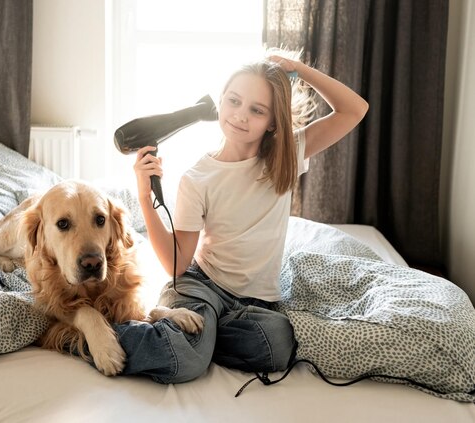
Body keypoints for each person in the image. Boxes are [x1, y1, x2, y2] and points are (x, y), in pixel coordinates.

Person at [113, 52, 369, 384]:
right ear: (221, 101)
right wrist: (146, 199)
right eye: (233, 101)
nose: (240, 115)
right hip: (202, 287)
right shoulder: (199, 177)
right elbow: (177, 264)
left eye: (257, 110)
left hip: (252, 304)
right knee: (182, 362)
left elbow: (354, 110)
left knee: (278, 344)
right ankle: (116, 336)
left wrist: (300, 71)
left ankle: (198, 339)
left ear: (273, 121)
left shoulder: (288, 154)